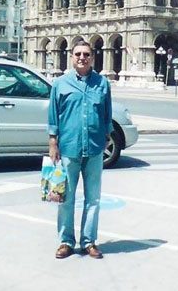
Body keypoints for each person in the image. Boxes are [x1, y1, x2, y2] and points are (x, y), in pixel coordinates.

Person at [48, 40, 113, 259]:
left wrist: (106, 136)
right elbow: (53, 116)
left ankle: (89, 241)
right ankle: (66, 241)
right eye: (78, 54)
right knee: (65, 198)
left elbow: (107, 114)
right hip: (69, 148)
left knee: (93, 199)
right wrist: (53, 144)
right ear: (72, 56)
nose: (82, 57)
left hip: (94, 149)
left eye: (86, 54)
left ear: (92, 57)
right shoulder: (60, 84)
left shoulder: (102, 83)